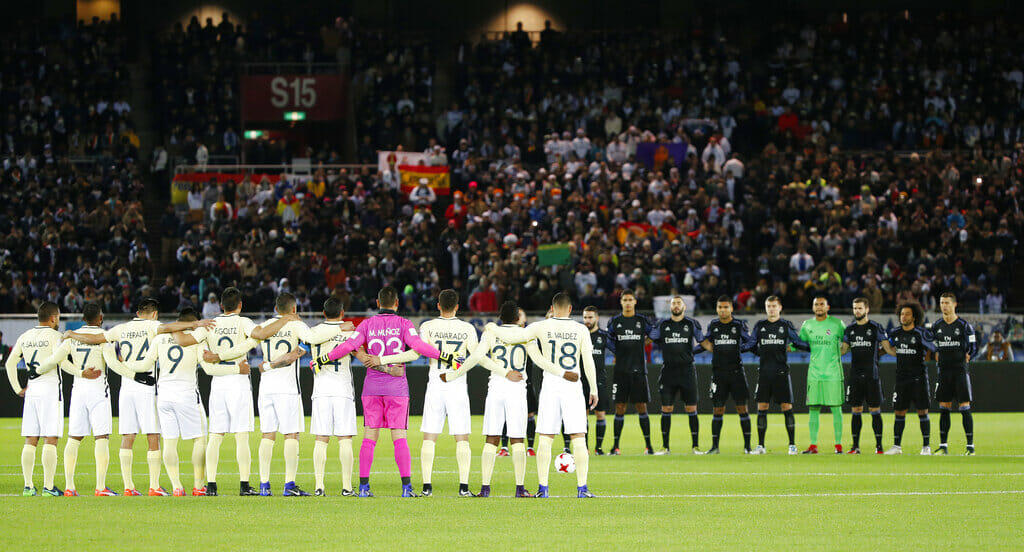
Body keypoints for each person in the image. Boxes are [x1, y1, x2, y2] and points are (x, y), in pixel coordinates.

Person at [311, 286, 461, 498]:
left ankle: (363, 487)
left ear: (377, 302)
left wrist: (323, 358)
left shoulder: (367, 324)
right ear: (397, 303)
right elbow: (418, 347)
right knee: (399, 437)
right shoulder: (404, 324)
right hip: (396, 388)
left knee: (369, 438)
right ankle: (406, 488)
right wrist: (446, 356)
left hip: (372, 388)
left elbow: (348, 346)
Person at [63, 298, 211, 496]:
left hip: (126, 388)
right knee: (153, 437)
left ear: (137, 311)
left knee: (128, 436)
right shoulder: (154, 326)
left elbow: (96, 339)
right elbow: (173, 328)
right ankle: (154, 485)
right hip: (146, 386)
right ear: (154, 314)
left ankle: (128, 486)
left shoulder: (120, 328)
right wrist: (195, 324)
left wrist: (71, 334)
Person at [104, 308, 256, 496]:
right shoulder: (195, 340)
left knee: (169, 442)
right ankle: (199, 486)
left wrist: (121, 363)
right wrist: (236, 369)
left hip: (164, 396)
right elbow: (209, 370)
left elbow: (143, 365)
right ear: (195, 322)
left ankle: (176, 487)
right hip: (187, 395)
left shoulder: (160, 339)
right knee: (200, 439)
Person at [174, 287, 295, 496]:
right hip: (238, 381)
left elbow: (182, 340)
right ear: (240, 305)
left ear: (221, 305)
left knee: (215, 435)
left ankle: (211, 485)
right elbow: (262, 333)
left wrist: (174, 326)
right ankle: (244, 485)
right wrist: (288, 318)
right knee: (241, 435)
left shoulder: (210, 324)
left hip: (218, 383)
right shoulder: (243, 322)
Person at [485, 292, 598, 498]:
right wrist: (593, 389)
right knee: (578, 437)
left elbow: (511, 337)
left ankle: (543, 489)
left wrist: (492, 327)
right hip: (573, 384)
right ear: (571, 309)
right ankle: (582, 489)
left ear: (552, 308)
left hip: (551, 385)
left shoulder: (541, 326)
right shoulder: (581, 329)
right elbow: (588, 360)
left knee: (546, 437)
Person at [207, 293, 317, 496]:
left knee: (268, 434)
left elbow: (248, 344)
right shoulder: (295, 323)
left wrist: (218, 356)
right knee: (291, 433)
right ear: (294, 309)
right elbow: (313, 339)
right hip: (287, 386)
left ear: (276, 309)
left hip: (266, 386)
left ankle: (264, 485)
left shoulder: (265, 326)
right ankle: (289, 485)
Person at [4, 302, 100, 496]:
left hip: (32, 391)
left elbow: (9, 363)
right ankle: (48, 487)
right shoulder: (57, 337)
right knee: (51, 438)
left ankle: (28, 486)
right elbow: (62, 362)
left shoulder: (25, 337)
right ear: (54, 318)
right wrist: (81, 372)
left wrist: (17, 389)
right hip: (50, 390)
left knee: (30, 438)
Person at [444, 300, 530, 497]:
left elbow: (475, 358)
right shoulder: (525, 335)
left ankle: (485, 488)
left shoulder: (491, 333)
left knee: (491, 439)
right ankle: (519, 488)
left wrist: (453, 374)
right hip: (517, 389)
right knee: (517, 439)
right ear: (518, 318)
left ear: (500, 317)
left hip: (496, 388)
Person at [37, 304, 121, 496]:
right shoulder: (102, 338)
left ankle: (69, 487)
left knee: (74, 437)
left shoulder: (71, 337)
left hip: (78, 390)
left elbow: (58, 359)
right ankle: (100, 487)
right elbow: (113, 363)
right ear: (100, 318)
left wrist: (41, 369)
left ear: (83, 318)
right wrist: (132, 372)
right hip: (98, 389)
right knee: (101, 436)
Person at [415, 289, 478, 497]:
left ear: (438, 305)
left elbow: (422, 349)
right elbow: (474, 357)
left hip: (436, 382)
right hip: (457, 384)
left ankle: (426, 487)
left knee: (429, 437)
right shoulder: (467, 328)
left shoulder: (428, 326)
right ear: (458, 306)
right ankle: (464, 487)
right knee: (462, 438)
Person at [301, 298, 361, 496]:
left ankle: (319, 486)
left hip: (321, 390)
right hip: (343, 390)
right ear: (342, 313)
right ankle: (347, 487)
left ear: (323, 313)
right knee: (345, 439)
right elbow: (361, 354)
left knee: (321, 439)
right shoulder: (349, 332)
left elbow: (303, 346)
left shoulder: (316, 331)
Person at [749, 296, 809, 455]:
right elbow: (751, 344)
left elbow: (797, 343)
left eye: (774, 306)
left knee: (786, 407)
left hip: (781, 372)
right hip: (764, 373)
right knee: (762, 407)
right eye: (768, 306)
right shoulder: (760, 325)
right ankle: (761, 446)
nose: (771, 309)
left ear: (780, 308)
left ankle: (792, 445)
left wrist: (814, 347)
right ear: (765, 307)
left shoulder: (786, 325)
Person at [698, 296, 754, 454]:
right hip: (718, 373)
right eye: (720, 307)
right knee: (717, 410)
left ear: (731, 309)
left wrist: (740, 348)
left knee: (742, 408)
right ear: (717, 309)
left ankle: (747, 447)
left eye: (725, 307)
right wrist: (691, 352)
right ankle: (715, 447)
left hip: (737, 372)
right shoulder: (713, 325)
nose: (722, 310)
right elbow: (706, 343)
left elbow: (749, 342)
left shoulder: (739, 325)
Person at [841, 297, 897, 454]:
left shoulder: (876, 328)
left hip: (872, 375)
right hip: (855, 376)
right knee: (856, 409)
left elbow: (888, 349)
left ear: (867, 310)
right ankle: (855, 446)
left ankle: (879, 446)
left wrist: (904, 352)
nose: (857, 311)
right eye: (855, 308)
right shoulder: (849, 330)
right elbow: (843, 350)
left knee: (875, 410)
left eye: (859, 308)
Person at [651, 296, 705, 454]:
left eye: (678, 303)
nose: (675, 306)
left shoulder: (691, 323)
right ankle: (665, 447)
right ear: (670, 307)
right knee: (666, 408)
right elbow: (651, 339)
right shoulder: (663, 324)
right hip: (668, 371)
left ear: (684, 306)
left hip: (687, 371)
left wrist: (689, 352)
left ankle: (695, 446)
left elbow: (703, 343)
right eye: (673, 303)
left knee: (691, 408)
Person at [884, 302, 936, 455]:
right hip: (901, 378)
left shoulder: (920, 333)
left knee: (922, 411)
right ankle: (896, 447)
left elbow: (933, 349)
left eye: (907, 314)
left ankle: (926, 447)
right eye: (901, 314)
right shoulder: (895, 332)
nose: (903, 317)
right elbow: (888, 349)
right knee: (899, 412)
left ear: (914, 317)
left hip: (919, 378)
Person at [607, 289, 655, 455]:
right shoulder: (615, 321)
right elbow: (608, 340)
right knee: (619, 407)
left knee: (641, 406)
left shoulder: (642, 320)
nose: (627, 302)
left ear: (635, 302)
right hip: (620, 371)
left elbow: (655, 334)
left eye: (630, 300)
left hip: (639, 371)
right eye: (625, 300)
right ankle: (615, 446)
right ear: (621, 302)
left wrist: (644, 342)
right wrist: (616, 351)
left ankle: (649, 446)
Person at [798, 296, 847, 454]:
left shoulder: (837, 324)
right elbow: (799, 343)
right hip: (814, 373)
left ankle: (838, 445)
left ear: (828, 307)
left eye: (822, 304)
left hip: (833, 373)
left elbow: (848, 343)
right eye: (816, 304)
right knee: (813, 408)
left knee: (836, 408)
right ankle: (813, 445)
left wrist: (838, 356)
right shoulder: (807, 325)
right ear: (813, 308)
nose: (819, 307)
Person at [930, 293, 977, 455]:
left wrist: (970, 354)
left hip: (960, 372)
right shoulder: (937, 325)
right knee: (944, 408)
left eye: (947, 303)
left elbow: (973, 346)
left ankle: (970, 446)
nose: (944, 306)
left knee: (964, 407)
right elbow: (932, 343)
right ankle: (943, 446)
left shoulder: (964, 326)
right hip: (943, 372)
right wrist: (935, 351)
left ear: (955, 304)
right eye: (942, 303)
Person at [582, 306, 611, 454]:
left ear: (597, 318)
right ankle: (584, 448)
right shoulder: (580, 335)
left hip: (600, 380)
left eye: (590, 317)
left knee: (600, 414)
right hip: (581, 381)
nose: (587, 320)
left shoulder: (604, 336)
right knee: (583, 415)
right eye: (585, 317)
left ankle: (598, 448)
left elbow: (617, 349)